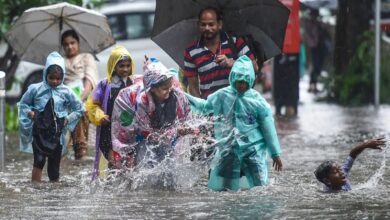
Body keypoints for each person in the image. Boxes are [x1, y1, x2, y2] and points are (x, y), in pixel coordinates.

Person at [185, 55, 283, 191]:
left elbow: (268, 128)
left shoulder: (258, 102)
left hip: (253, 149)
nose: (241, 85)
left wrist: (275, 154)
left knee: (260, 186)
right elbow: (204, 106)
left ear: (250, 80)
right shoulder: (222, 95)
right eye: (238, 81)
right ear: (233, 78)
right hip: (229, 148)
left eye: (245, 81)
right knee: (224, 189)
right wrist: (184, 96)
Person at [111, 57, 192, 169]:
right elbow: (149, 134)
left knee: (173, 160)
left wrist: (188, 129)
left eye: (170, 87)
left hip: (162, 129)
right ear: (152, 89)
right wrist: (175, 132)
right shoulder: (140, 102)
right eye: (164, 89)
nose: (169, 91)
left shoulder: (177, 94)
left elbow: (187, 117)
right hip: (130, 118)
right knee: (137, 156)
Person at [18, 51, 85, 182]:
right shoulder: (35, 89)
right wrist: (30, 113)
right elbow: (23, 104)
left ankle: (53, 195)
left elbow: (79, 109)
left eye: (58, 78)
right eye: (51, 78)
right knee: (39, 161)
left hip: (57, 135)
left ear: (63, 76)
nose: (55, 81)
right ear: (45, 75)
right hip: (39, 133)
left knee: (54, 168)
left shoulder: (66, 91)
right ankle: (35, 188)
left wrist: (68, 119)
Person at [184, 6, 258, 99]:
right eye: (203, 24)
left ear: (219, 24)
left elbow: (254, 67)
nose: (207, 28)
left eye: (211, 24)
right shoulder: (191, 51)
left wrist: (232, 63)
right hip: (210, 108)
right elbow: (193, 86)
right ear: (198, 25)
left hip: (237, 106)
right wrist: (202, 107)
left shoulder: (235, 42)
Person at [85, 45, 134, 179]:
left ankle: (124, 191)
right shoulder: (105, 85)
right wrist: (100, 116)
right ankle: (112, 189)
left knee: (129, 163)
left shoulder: (133, 84)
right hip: (108, 130)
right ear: (113, 65)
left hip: (128, 131)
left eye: (128, 65)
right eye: (121, 66)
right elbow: (92, 105)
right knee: (114, 162)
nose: (125, 69)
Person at [61, 29, 99, 160]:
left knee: (79, 111)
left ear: (78, 43)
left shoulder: (86, 58)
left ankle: (80, 152)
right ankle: (62, 152)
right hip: (63, 102)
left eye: (72, 42)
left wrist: (79, 100)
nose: (70, 46)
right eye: (66, 44)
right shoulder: (60, 61)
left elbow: (90, 81)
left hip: (84, 100)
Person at [314, 138, 386, 192]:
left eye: (340, 169)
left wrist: (365, 145)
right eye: (336, 171)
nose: (341, 172)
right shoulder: (328, 196)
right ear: (327, 181)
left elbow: (352, 155)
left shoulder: (342, 175)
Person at [304, 9, 330, 93]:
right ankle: (312, 85)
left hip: (321, 47)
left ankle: (314, 85)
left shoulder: (320, 24)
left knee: (318, 67)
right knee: (316, 66)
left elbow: (325, 34)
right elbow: (309, 36)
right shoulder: (310, 24)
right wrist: (314, 42)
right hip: (314, 47)